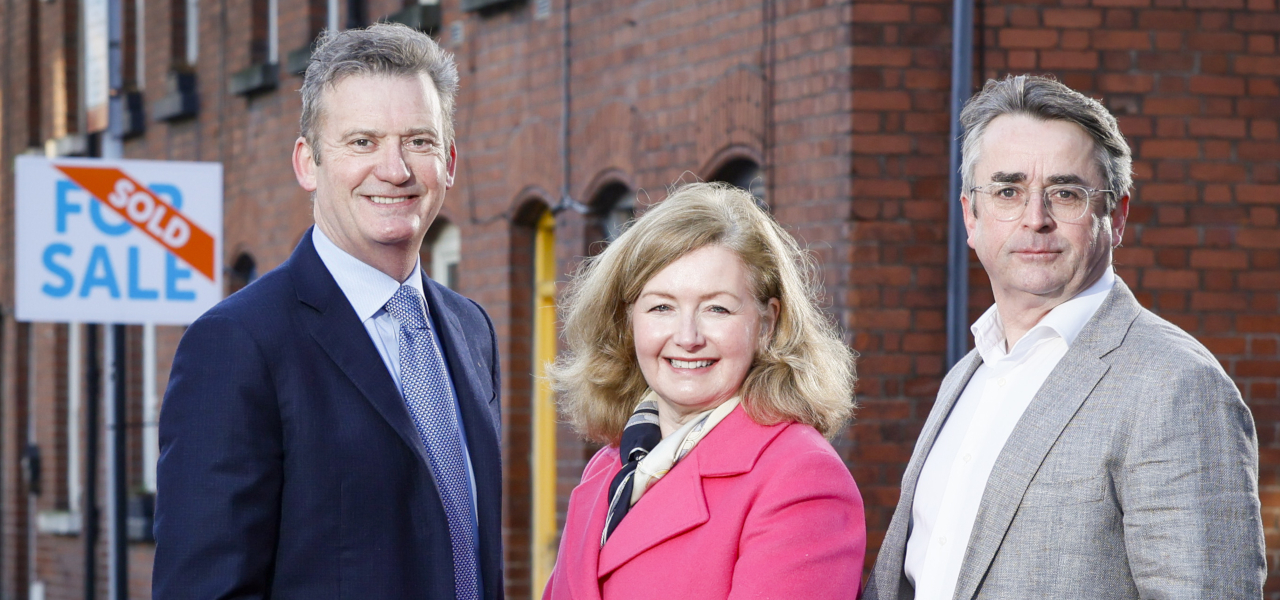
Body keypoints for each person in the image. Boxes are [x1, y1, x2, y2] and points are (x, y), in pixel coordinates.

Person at [863, 75, 1266, 600]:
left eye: (1066, 193)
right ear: (971, 216)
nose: (1036, 219)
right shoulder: (969, 375)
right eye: (1008, 191)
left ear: (1116, 216)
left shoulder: (1175, 386)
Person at [153, 23, 503, 599]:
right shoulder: (238, 344)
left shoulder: (472, 331)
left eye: (419, 141)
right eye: (362, 142)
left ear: (449, 161)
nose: (395, 169)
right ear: (307, 163)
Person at [543, 182, 865, 599]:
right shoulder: (610, 466)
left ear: (766, 324)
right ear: (628, 321)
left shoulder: (802, 479)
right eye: (662, 307)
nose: (687, 337)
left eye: (717, 308)